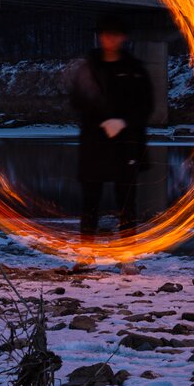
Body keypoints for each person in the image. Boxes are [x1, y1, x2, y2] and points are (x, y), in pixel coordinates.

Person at [67, 14, 154, 248]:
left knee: (126, 201)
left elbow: (146, 104)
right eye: (105, 34)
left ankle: (127, 253)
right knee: (90, 200)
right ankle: (86, 251)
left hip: (126, 145)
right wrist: (101, 120)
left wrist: (124, 122)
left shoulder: (135, 69)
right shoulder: (88, 68)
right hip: (95, 144)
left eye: (114, 34)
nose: (109, 39)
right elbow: (77, 100)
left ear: (123, 37)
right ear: (100, 37)